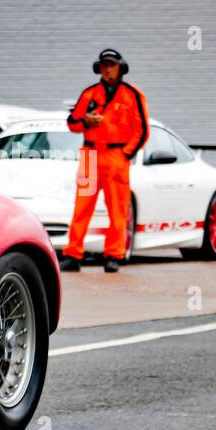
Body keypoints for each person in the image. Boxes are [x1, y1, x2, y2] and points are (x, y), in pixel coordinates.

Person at [61, 48, 148, 273]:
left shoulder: (132, 94)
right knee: (82, 207)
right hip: (90, 156)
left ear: (121, 68)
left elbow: (142, 130)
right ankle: (73, 254)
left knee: (117, 209)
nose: (107, 69)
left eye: (111, 65)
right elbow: (72, 123)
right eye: (104, 65)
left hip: (116, 156)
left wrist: (126, 154)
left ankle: (113, 255)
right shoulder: (90, 93)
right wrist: (85, 122)